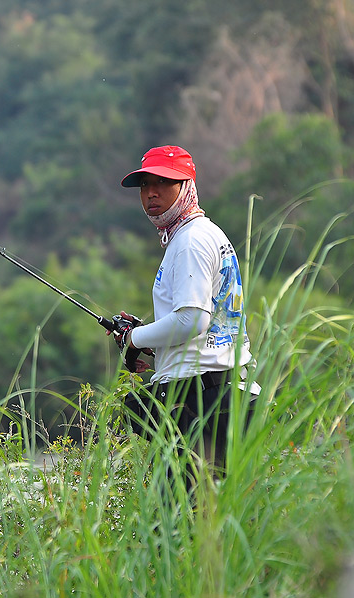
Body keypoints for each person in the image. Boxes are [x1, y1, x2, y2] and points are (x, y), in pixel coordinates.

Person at [109, 145, 258, 468]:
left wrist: (134, 339)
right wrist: (150, 342)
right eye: (145, 185)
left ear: (187, 186)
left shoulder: (191, 241)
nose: (151, 192)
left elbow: (192, 320)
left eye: (163, 183)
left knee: (179, 513)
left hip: (203, 401)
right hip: (220, 392)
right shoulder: (198, 235)